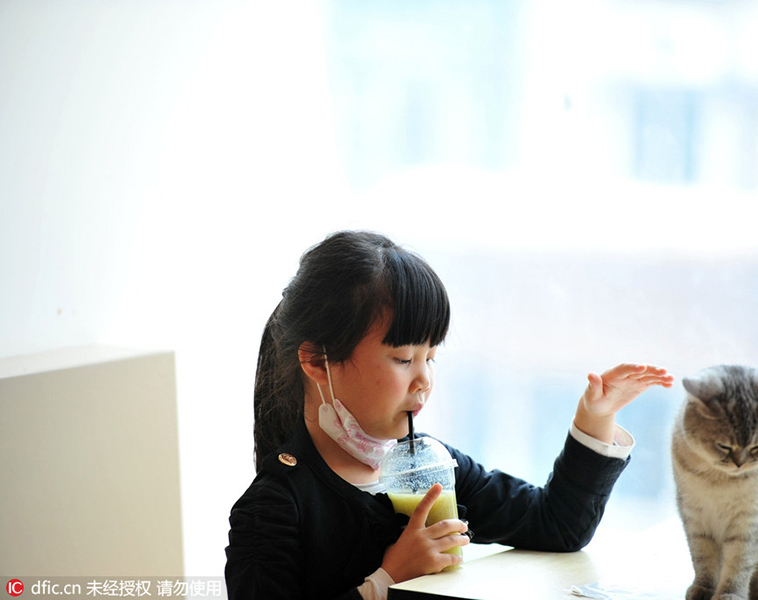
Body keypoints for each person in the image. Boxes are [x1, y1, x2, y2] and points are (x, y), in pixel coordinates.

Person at [225, 230, 674, 600]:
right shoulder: (274, 507)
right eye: (403, 359)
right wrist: (384, 581)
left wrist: (595, 416)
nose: (424, 381)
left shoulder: (433, 468)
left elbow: (556, 525)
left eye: (431, 357)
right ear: (318, 363)